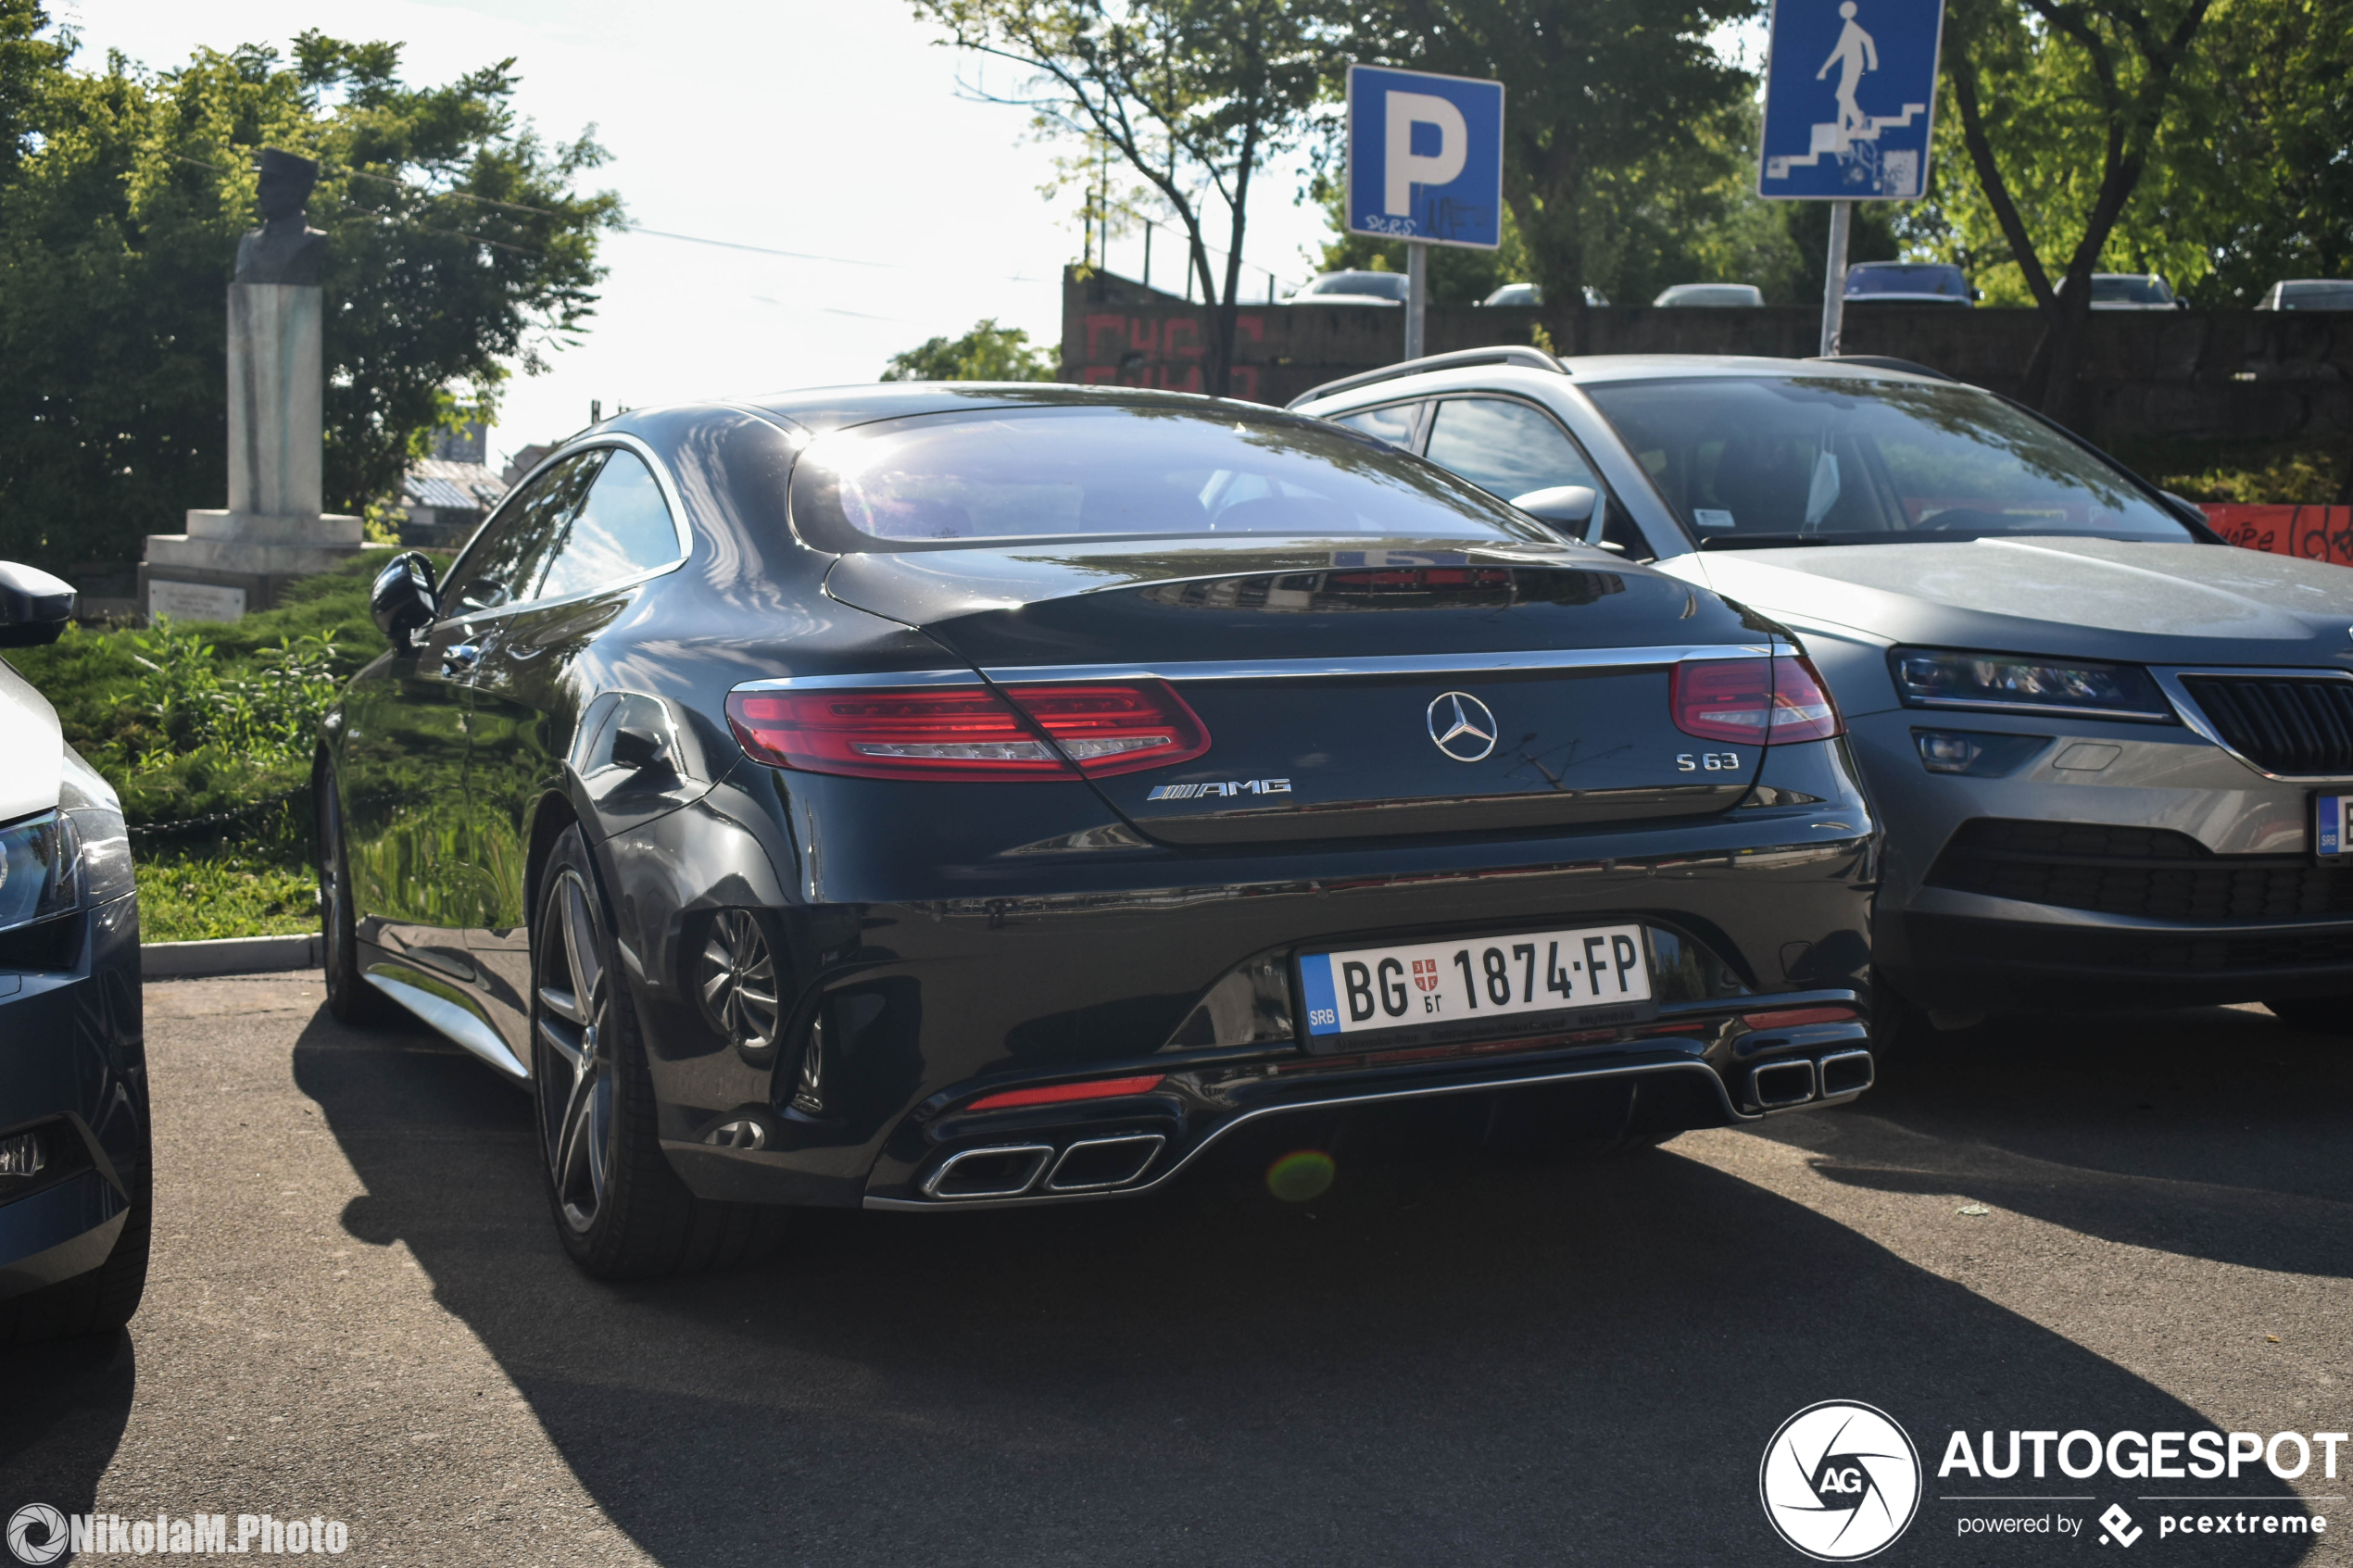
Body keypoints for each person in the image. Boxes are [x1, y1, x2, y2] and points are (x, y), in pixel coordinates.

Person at [233, 148, 329, 286]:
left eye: (268, 183)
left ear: (295, 191)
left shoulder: (312, 241)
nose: (258, 191)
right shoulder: (248, 242)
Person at [1816, 1, 1880, 147]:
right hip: (1849, 66)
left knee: (1843, 95)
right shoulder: (1847, 28)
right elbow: (1838, 51)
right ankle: (1854, 123)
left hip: (1855, 65)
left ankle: (1858, 122)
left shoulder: (1852, 28)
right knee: (1842, 95)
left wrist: (1873, 62)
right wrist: (1824, 68)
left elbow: (1868, 40)